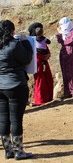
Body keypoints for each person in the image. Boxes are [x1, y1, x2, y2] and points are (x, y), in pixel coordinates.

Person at [0, 20, 33, 160]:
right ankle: (18, 151)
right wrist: (26, 43)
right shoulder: (14, 44)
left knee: (3, 119)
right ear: (12, 31)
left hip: (0, 86)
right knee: (16, 119)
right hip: (16, 85)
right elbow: (26, 58)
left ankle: (8, 150)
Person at [28, 22, 53, 106]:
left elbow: (46, 47)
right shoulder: (31, 41)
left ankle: (47, 98)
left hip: (42, 61)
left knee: (45, 79)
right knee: (40, 80)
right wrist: (46, 55)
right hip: (38, 62)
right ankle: (40, 99)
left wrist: (48, 55)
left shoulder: (36, 40)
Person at [55, 17, 73, 98]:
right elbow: (60, 41)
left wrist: (61, 33)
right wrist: (59, 33)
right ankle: (67, 91)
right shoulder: (62, 33)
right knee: (65, 72)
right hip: (63, 53)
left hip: (71, 52)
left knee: (72, 72)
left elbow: (69, 41)